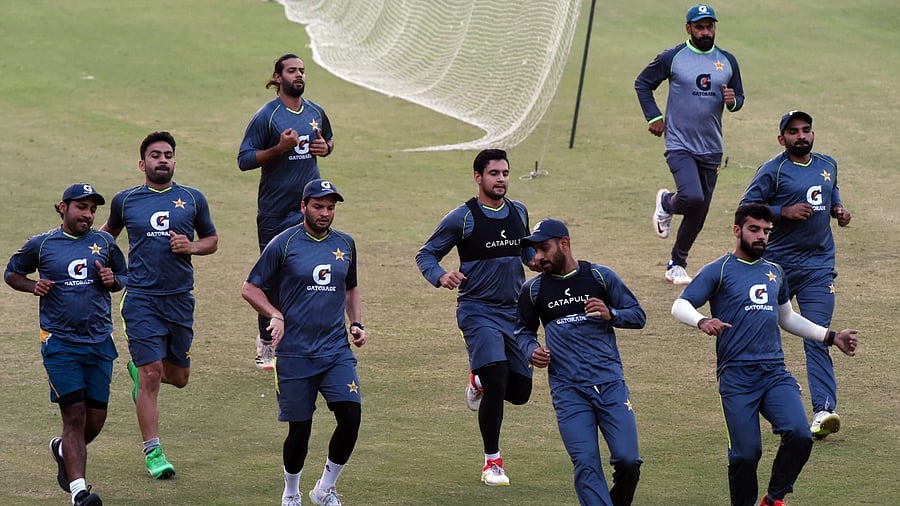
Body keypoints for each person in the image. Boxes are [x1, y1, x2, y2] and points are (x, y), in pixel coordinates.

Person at [671, 203, 858, 506]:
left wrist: (830, 336)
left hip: (774, 374)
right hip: (737, 377)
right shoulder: (719, 269)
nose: (761, 236)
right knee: (746, 455)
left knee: (799, 434)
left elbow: (787, 318)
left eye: (766, 231)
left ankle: (774, 499)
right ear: (737, 230)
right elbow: (680, 305)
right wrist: (702, 321)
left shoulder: (775, 272)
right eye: (754, 229)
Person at [100, 131, 218, 479]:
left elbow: (211, 239)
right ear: (142, 163)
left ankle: (141, 371)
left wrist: (191, 247)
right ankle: (153, 452)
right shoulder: (125, 201)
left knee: (179, 378)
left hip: (179, 299)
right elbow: (106, 237)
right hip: (141, 299)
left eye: (168, 155)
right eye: (155, 155)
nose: (162, 160)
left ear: (174, 161)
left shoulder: (192, 199)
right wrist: (90, 259)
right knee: (152, 373)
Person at [241, 179, 366, 506]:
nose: (325, 213)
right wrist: (275, 314)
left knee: (351, 418)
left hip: (335, 351)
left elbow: (350, 287)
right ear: (303, 206)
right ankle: (291, 492)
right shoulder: (283, 244)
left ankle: (324, 489)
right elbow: (250, 288)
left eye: (330, 207)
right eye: (318, 206)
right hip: (295, 354)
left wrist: (356, 323)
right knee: (300, 429)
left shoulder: (346, 243)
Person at [415, 149, 536, 486]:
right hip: (477, 310)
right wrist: (441, 275)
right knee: (498, 377)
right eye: (494, 173)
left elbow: (527, 252)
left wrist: (541, 260)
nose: (501, 180)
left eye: (505, 173)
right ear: (478, 177)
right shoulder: (462, 218)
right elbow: (426, 254)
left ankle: (477, 380)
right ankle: (492, 463)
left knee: (520, 391)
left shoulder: (519, 211)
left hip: (513, 313)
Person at [5, 183, 127, 505]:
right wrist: (33, 286)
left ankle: (62, 449)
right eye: (81, 207)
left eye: (92, 210)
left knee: (95, 419)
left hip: (99, 342)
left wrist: (113, 280)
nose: (88, 215)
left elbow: (124, 275)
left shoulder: (105, 243)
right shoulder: (42, 245)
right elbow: (12, 273)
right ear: (63, 207)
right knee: (74, 416)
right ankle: (79, 493)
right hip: (59, 343)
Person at [515, 219, 646, 506]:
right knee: (586, 465)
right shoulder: (533, 290)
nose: (538, 257)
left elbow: (638, 316)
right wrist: (531, 351)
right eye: (535, 250)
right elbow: (522, 332)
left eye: (544, 248)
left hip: (610, 386)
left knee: (628, 461)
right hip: (569, 392)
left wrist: (612, 314)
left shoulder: (599, 277)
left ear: (564, 243)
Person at [740, 111, 852, 439]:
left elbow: (831, 191)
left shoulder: (828, 164)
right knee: (760, 334)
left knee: (818, 335)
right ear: (782, 139)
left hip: (819, 267)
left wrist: (838, 210)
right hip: (777, 268)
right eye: (793, 132)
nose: (801, 136)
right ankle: (771, 398)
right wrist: (782, 212)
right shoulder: (772, 171)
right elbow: (746, 209)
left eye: (806, 130)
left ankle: (824, 411)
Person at [635, 4, 745, 285]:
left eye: (710, 27)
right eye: (699, 27)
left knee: (700, 211)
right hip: (679, 143)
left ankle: (676, 264)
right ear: (688, 29)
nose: (705, 32)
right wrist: (654, 117)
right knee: (692, 197)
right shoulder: (673, 57)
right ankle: (666, 202)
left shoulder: (727, 61)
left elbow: (739, 99)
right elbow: (643, 83)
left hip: (712, 146)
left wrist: (733, 101)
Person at [238, 53, 335, 371]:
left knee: (311, 273)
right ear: (278, 78)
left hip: (309, 208)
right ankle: (266, 341)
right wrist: (279, 149)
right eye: (292, 71)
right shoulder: (267, 116)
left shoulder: (316, 112)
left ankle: (304, 341)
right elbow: (244, 159)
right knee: (271, 279)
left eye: (302, 70)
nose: (299, 75)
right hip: (274, 211)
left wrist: (326, 148)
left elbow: (328, 139)